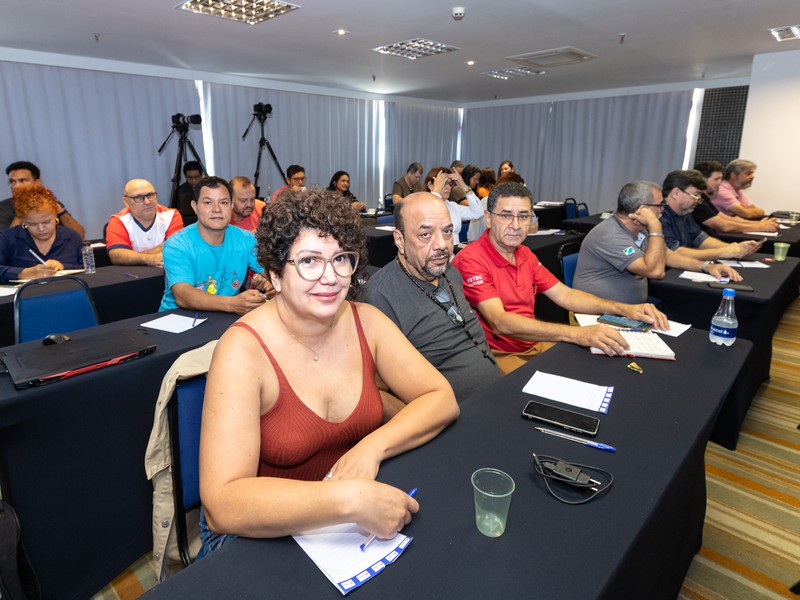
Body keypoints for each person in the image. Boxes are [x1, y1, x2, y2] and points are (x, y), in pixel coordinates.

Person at [197, 188, 459, 556]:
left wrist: (372, 447)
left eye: (341, 259)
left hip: (349, 517)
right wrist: (346, 499)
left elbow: (441, 398)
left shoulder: (367, 321)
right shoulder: (241, 351)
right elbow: (222, 506)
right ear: (274, 275)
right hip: (262, 534)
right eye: (309, 261)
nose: (331, 277)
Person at [452, 181, 670, 374]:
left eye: (523, 216)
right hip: (497, 354)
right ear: (488, 218)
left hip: (532, 343)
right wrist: (575, 334)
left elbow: (565, 295)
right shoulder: (472, 259)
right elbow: (500, 322)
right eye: (506, 215)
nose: (516, 225)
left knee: (602, 367)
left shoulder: (524, 254)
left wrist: (625, 309)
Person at [364, 192, 502, 402]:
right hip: (453, 414)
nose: (442, 245)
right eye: (425, 234)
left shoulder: (451, 273)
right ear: (400, 240)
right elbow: (377, 393)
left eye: (447, 232)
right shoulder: (378, 297)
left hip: (499, 389)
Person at [573, 180, 742, 305]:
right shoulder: (610, 235)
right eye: (660, 205)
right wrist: (655, 226)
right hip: (600, 314)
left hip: (631, 307)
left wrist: (706, 266)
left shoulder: (640, 229)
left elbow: (667, 255)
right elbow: (655, 271)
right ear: (643, 209)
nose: (662, 209)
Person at [159, 176, 271, 314]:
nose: (217, 209)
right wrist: (233, 304)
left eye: (223, 202)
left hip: (225, 315)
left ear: (231, 206)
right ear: (194, 207)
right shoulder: (177, 245)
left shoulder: (246, 239)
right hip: (178, 317)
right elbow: (183, 295)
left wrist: (273, 285)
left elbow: (272, 273)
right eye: (208, 202)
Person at [660, 170, 762, 260]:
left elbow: (700, 239)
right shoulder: (660, 215)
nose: (698, 201)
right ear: (676, 193)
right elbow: (674, 252)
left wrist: (734, 248)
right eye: (695, 195)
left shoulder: (685, 212)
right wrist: (723, 252)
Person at [0, 184, 82, 282]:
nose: (41, 229)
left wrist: (63, 267)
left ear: (55, 215)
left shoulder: (72, 238)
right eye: (33, 224)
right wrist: (22, 273)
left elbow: (88, 269)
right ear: (23, 220)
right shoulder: (8, 238)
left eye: (46, 222)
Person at [106, 179, 183, 267]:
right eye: (138, 197)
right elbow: (116, 255)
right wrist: (148, 259)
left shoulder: (171, 215)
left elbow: (175, 247)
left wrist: (133, 255)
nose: (147, 202)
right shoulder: (118, 221)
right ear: (126, 201)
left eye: (150, 195)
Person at [1, 161, 86, 238]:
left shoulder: (48, 202)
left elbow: (79, 236)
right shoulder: (3, 208)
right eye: (12, 182)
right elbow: (4, 243)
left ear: (38, 182)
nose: (16, 186)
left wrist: (61, 212)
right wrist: (22, 213)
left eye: (22, 180)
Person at [691, 161, 778, 234]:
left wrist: (758, 224)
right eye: (716, 179)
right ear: (702, 180)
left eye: (720, 179)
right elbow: (725, 226)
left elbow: (725, 218)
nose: (720, 182)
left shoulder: (702, 198)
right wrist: (761, 227)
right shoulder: (694, 200)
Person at [424, 166, 483, 238]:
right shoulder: (422, 204)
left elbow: (478, 213)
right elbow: (430, 212)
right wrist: (436, 191)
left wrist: (464, 186)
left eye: (450, 184)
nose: (448, 187)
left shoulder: (452, 206)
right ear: (430, 185)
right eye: (444, 183)